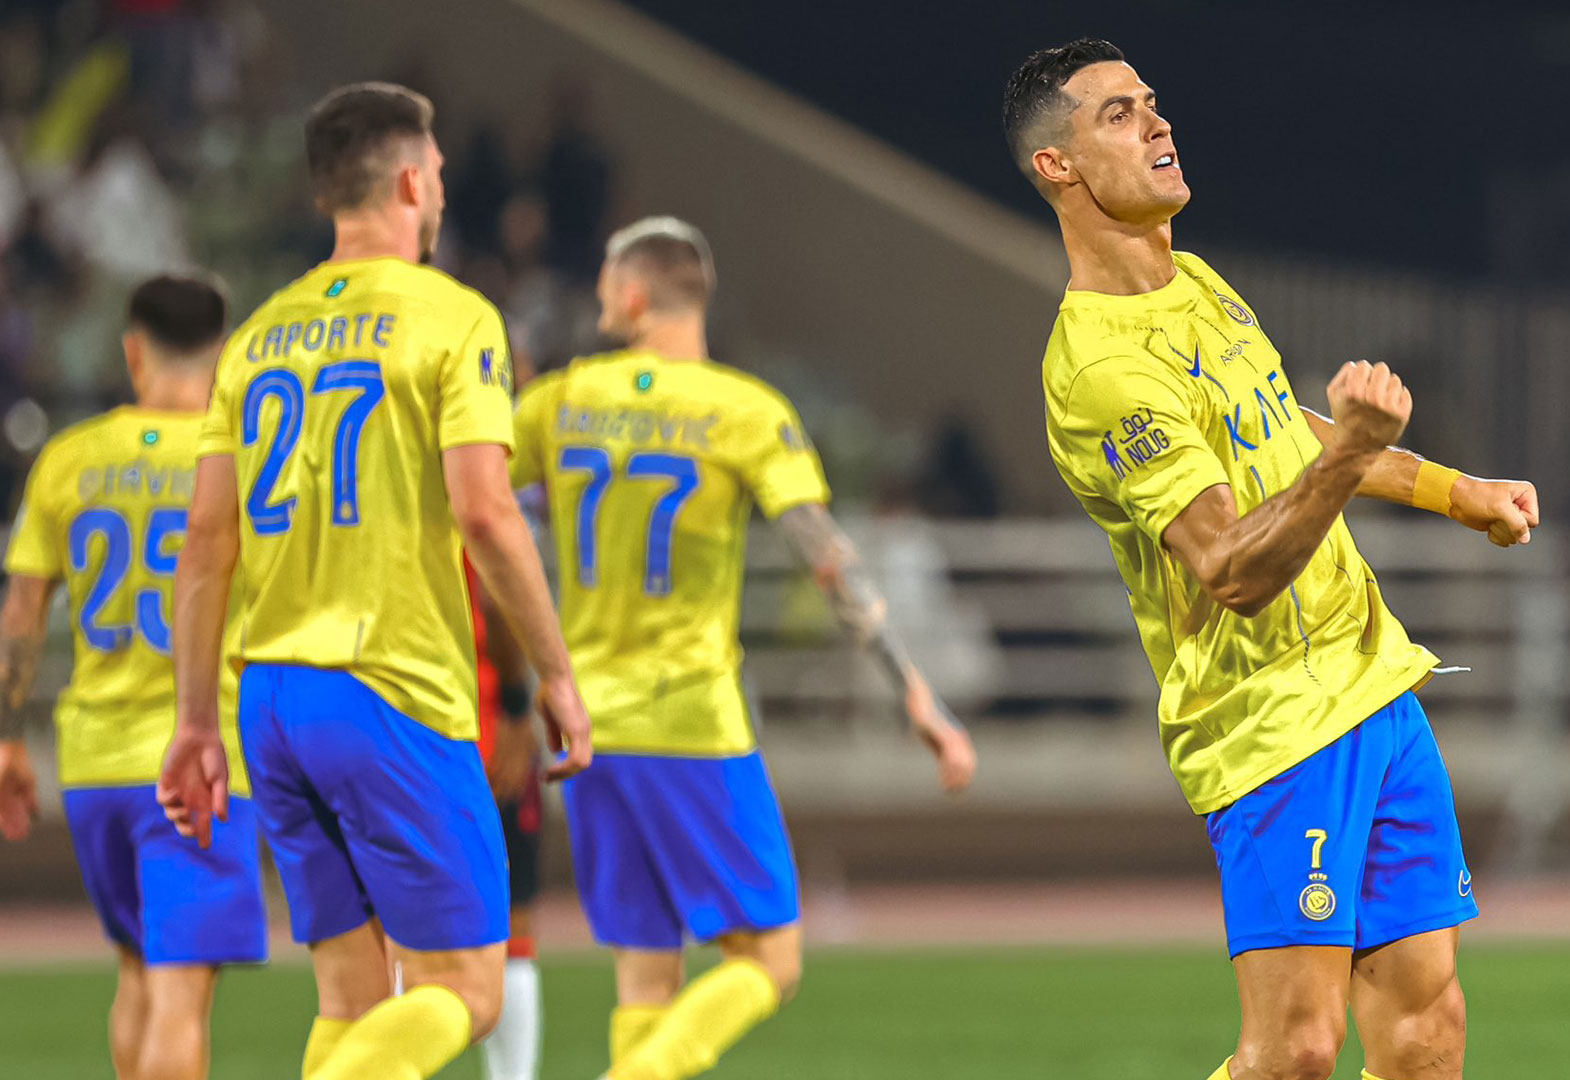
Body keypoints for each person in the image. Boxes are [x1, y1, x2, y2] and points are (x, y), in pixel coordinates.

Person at [1006, 40, 1541, 1080]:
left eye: (1153, 103)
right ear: (1057, 167)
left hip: (1373, 687)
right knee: (1295, 1050)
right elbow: (1231, 569)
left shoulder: (1197, 281)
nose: (1158, 124)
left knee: (1429, 1029)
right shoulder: (1102, 369)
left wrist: (1453, 490)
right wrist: (1348, 451)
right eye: (1118, 114)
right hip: (1270, 725)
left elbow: (1280, 433)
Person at [156, 81, 591, 1080]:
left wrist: (194, 724)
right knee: (465, 991)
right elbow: (486, 511)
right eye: (435, 173)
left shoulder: (258, 335)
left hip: (269, 698)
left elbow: (205, 542)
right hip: (388, 686)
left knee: (353, 1001)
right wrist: (558, 677)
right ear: (408, 178)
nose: (440, 189)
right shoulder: (454, 316)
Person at [508, 215, 976, 1080]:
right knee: (769, 960)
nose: (602, 299)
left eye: (609, 285)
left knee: (644, 972)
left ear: (637, 295)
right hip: (689, 718)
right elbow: (828, 559)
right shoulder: (744, 411)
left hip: (582, 725)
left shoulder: (561, 402)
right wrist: (913, 688)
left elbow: (479, 506)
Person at [0, 274, 266, 1080]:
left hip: (93, 765)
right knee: (181, 995)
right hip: (200, 763)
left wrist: (9, 742)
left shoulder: (69, 459)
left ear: (133, 350)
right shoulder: (241, 459)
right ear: (223, 355)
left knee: (135, 977)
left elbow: (21, 618)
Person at [469, 565, 547, 1080]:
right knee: (511, 934)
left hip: (390, 736)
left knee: (380, 944)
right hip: (485, 737)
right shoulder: (466, 492)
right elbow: (499, 595)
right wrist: (519, 709)